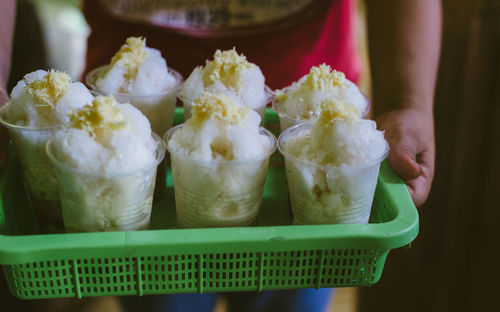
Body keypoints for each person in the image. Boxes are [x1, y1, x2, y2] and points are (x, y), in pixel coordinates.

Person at [0, 0, 440, 311]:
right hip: (116, 127)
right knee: (160, 297)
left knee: (291, 290)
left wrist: (409, 100)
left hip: (314, 118)